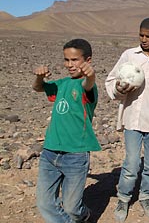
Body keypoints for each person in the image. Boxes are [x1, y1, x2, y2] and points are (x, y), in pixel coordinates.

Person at [105, 17, 149, 221]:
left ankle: (145, 197)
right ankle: (123, 199)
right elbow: (111, 80)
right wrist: (118, 88)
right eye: (141, 35)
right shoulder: (129, 55)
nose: (143, 39)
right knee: (132, 164)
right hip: (132, 119)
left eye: (148, 36)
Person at [33, 38, 101, 223]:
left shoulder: (88, 86)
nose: (69, 65)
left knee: (71, 209)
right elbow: (38, 88)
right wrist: (39, 77)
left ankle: (84, 214)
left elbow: (89, 83)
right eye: (66, 60)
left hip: (75, 156)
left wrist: (91, 75)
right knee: (45, 204)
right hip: (49, 152)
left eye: (75, 60)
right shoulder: (62, 83)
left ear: (88, 60)